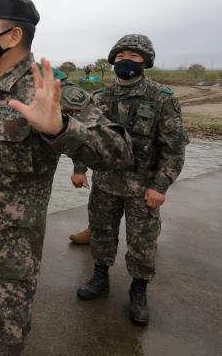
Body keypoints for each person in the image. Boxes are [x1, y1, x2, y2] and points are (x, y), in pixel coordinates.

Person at [0, 0, 133, 355]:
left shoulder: (44, 89)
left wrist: (61, 127)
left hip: (7, 261)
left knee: (0, 347)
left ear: (13, 36)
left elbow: (120, 152)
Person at [75, 34, 187, 325]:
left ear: (146, 61)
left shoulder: (162, 98)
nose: (126, 61)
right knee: (101, 232)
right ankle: (100, 278)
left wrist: (160, 186)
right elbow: (84, 139)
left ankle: (138, 291)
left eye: (134, 56)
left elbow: (174, 149)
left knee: (142, 241)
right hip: (105, 184)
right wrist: (79, 168)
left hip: (144, 187)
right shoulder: (99, 98)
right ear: (113, 59)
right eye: (122, 55)